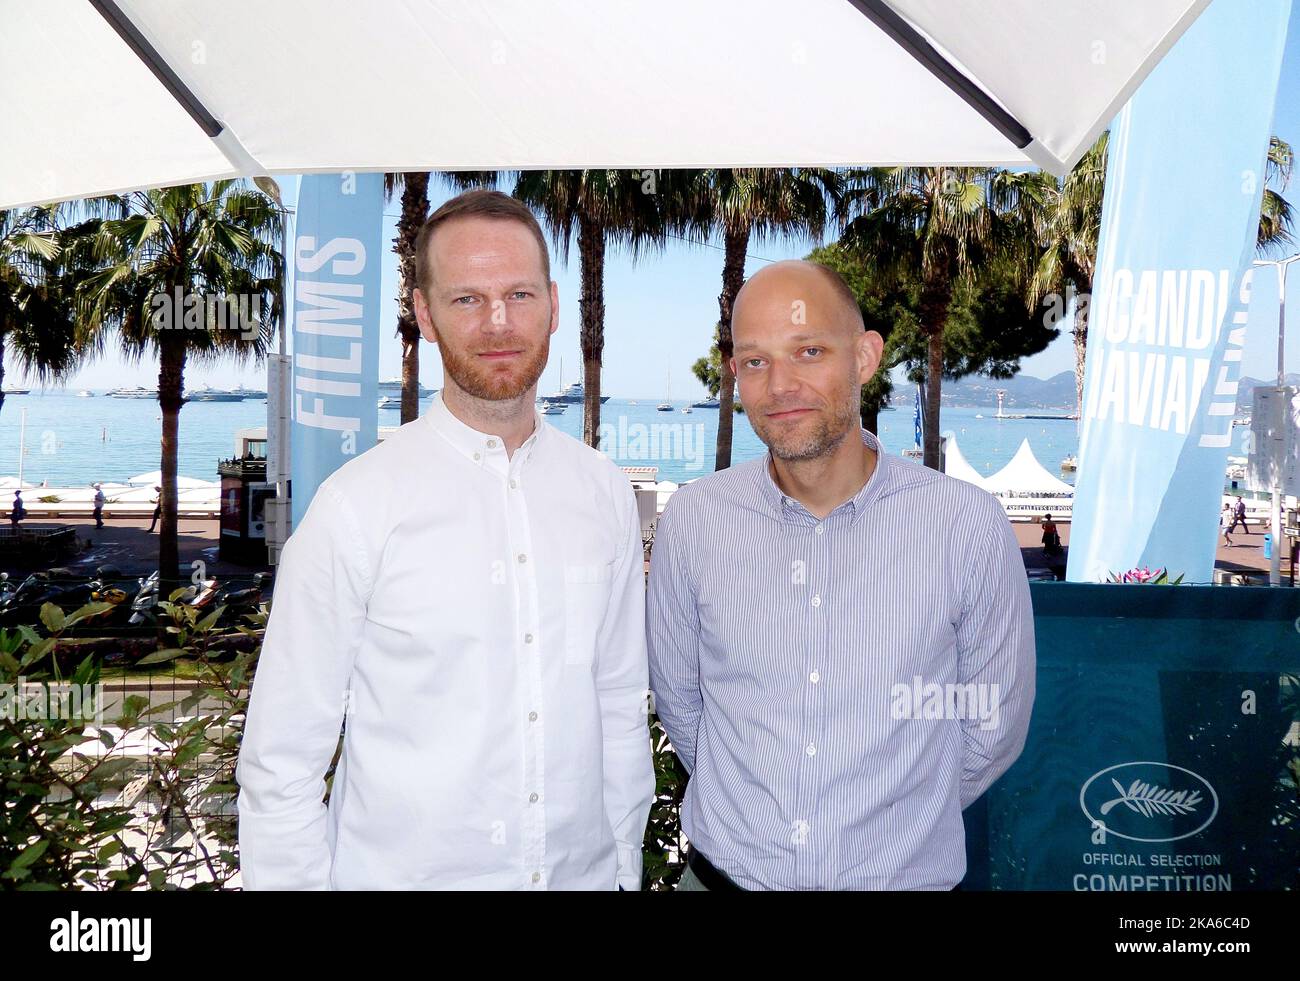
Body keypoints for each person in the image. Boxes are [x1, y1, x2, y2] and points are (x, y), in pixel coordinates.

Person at [236, 189, 654, 890]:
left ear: (553, 304)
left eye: (519, 294)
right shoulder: (355, 508)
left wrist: (621, 868)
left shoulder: (603, 491)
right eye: (467, 299)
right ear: (426, 315)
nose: (499, 322)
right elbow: (281, 764)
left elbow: (617, 703)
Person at [647, 260, 1035, 891]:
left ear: (865, 357)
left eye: (808, 351)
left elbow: (992, 725)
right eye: (754, 361)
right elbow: (682, 703)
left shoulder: (966, 525)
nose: (780, 385)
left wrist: (892, 827)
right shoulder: (695, 521)